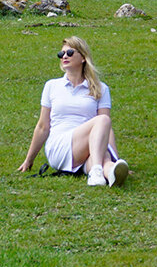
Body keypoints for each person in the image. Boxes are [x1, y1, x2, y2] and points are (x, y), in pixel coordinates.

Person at [18, 36, 129, 187]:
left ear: (83, 57)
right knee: (102, 120)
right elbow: (43, 126)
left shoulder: (101, 88)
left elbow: (106, 131)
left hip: (88, 146)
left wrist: (116, 158)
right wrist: (29, 160)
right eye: (61, 54)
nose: (64, 56)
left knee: (104, 155)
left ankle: (112, 172)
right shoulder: (52, 86)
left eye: (70, 52)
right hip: (60, 145)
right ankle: (97, 170)